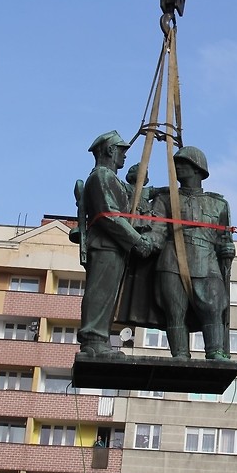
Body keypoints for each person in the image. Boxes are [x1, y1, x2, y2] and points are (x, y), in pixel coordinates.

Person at [149, 146, 234, 360]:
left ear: (198, 168)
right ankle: (180, 354)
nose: (177, 167)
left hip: (207, 261)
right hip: (172, 260)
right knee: (174, 311)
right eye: (176, 163)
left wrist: (228, 250)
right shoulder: (165, 199)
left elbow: (224, 239)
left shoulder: (219, 204)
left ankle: (215, 351)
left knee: (214, 306)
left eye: (183, 163)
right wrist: (142, 242)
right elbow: (157, 232)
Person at [78, 130, 154, 359]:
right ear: (110, 150)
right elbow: (109, 216)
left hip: (114, 247)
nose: (125, 155)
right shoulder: (102, 176)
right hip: (105, 245)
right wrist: (136, 240)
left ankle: (98, 340)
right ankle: (93, 341)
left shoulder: (110, 179)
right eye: (122, 150)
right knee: (100, 293)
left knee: (108, 295)